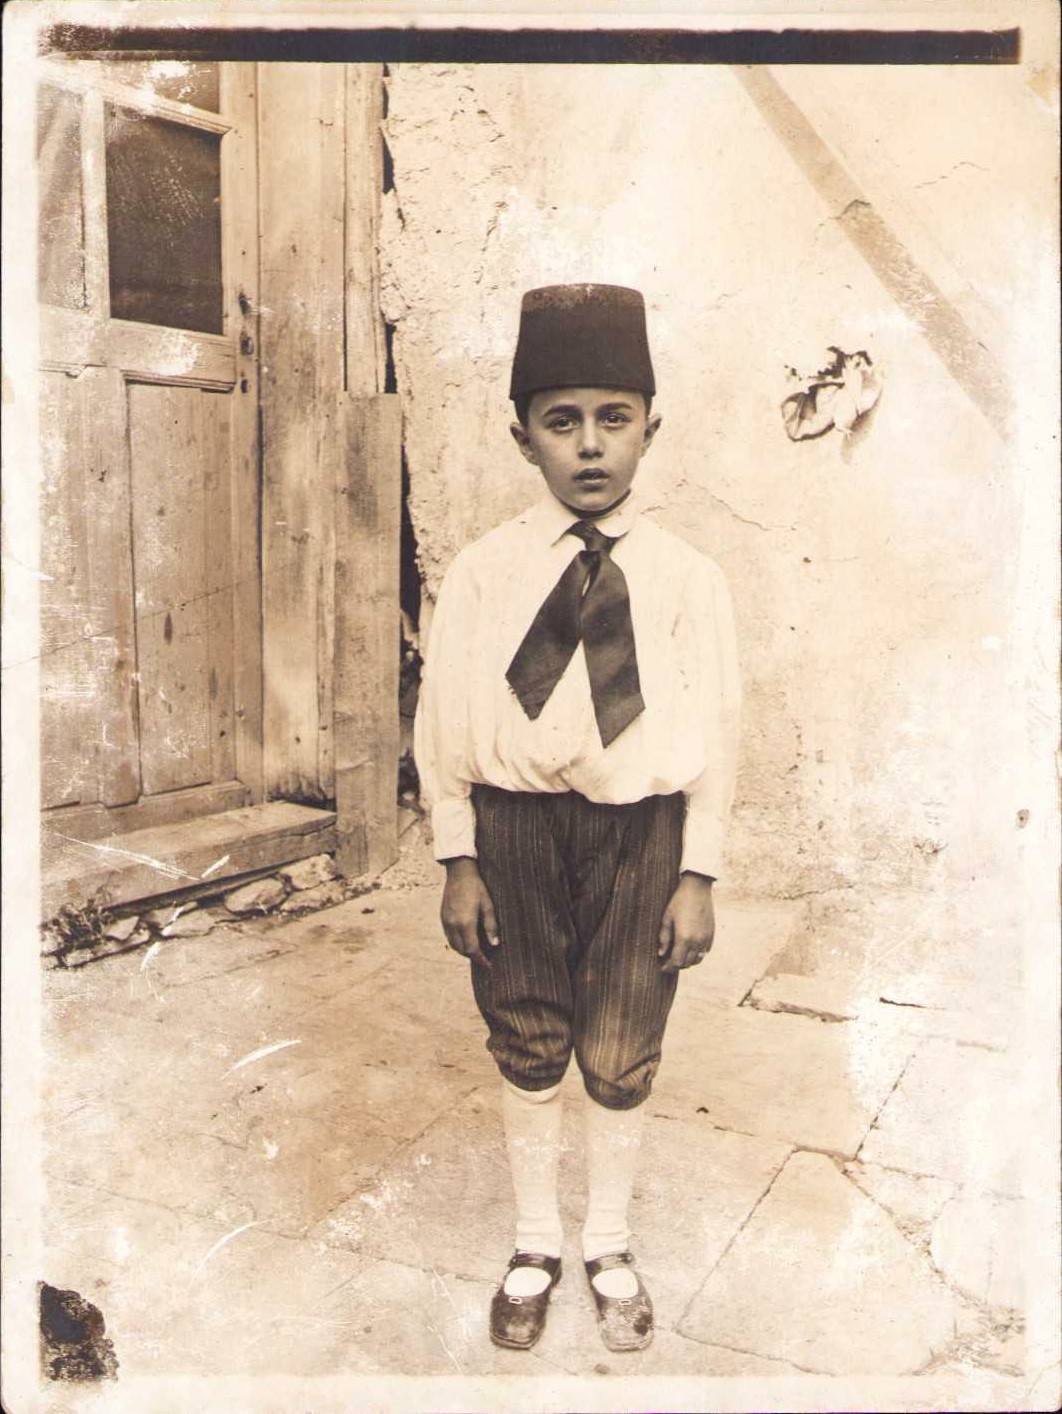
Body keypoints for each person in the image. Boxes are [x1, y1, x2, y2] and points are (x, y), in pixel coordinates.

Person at [414, 283, 741, 1353]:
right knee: (526, 1027)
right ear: (523, 437)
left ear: (651, 428)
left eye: (614, 418)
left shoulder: (687, 579)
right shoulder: (484, 572)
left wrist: (698, 872)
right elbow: (443, 721)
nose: (590, 445)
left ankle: (607, 1239)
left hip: (639, 837)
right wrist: (458, 856)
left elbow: (719, 730)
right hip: (514, 830)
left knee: (621, 1038)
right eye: (562, 421)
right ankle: (533, 1240)